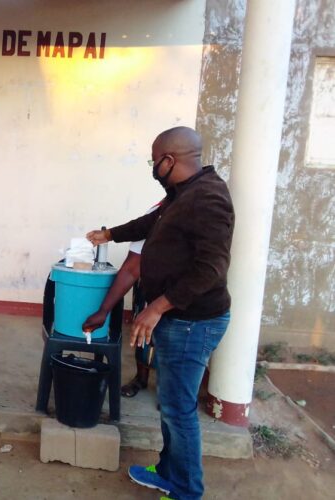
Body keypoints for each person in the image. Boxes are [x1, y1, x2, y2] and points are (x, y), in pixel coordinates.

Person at [87, 126, 234, 500]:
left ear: (169, 160)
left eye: (155, 162)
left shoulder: (209, 198)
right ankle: (169, 471)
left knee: (180, 409)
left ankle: (186, 489)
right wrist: (110, 234)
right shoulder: (182, 194)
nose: (153, 168)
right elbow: (149, 223)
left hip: (193, 323)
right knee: (171, 404)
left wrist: (156, 307)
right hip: (180, 321)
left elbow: (211, 268)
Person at [82, 201, 165, 398]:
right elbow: (132, 266)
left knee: (173, 339)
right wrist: (104, 310)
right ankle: (141, 378)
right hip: (150, 285)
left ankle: (166, 387)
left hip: (183, 294)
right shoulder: (158, 211)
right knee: (142, 333)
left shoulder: (201, 207)